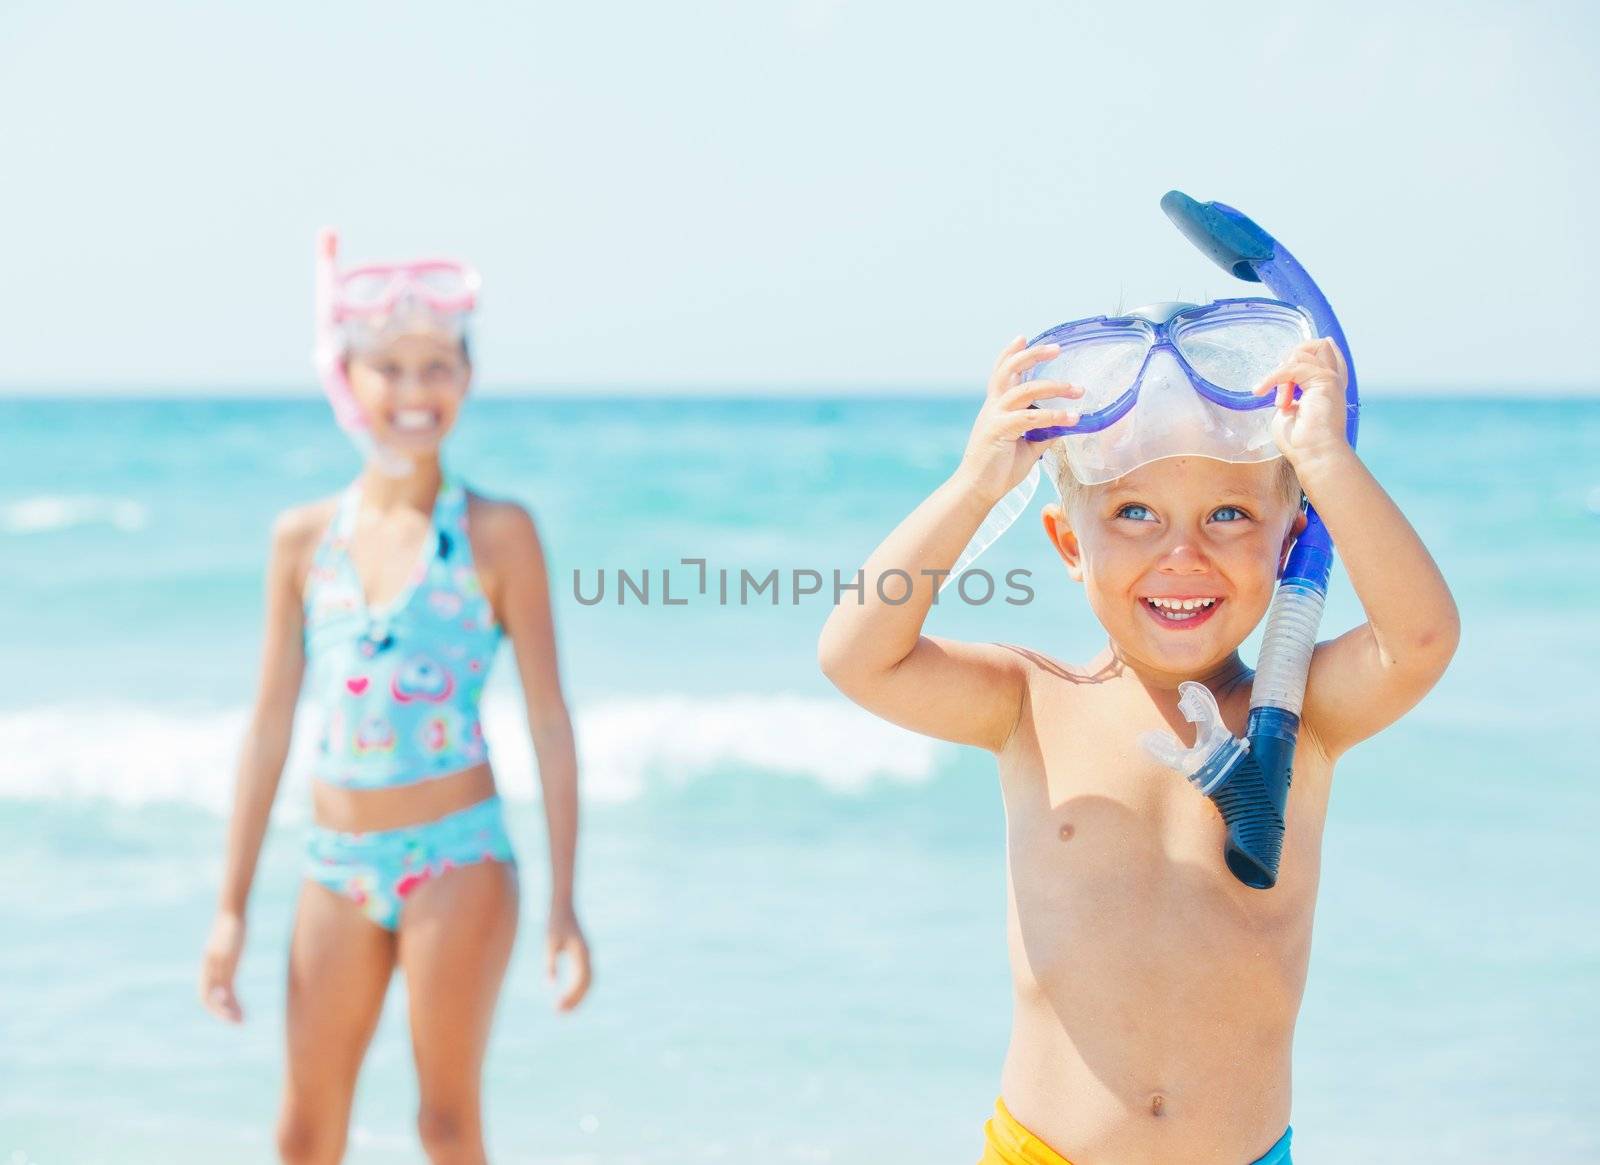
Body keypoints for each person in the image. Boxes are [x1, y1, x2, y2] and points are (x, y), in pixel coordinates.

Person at [818, 280, 1458, 1159]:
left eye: (1229, 514)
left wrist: (1330, 465)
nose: (1182, 553)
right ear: (1070, 545)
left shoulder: (1300, 715)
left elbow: (1419, 639)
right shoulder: (1029, 703)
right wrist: (975, 486)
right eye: (1134, 514)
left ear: (1291, 536)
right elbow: (856, 652)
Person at [199, 233, 590, 1165]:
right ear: (346, 378)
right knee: (302, 1134)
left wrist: (565, 903)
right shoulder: (303, 541)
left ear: (466, 377)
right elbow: (266, 730)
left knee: (444, 1125)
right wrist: (231, 907)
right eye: (390, 368)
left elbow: (548, 720)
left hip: (458, 857)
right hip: (334, 862)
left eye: (438, 367)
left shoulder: (499, 534)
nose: (415, 391)